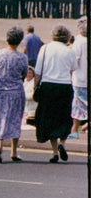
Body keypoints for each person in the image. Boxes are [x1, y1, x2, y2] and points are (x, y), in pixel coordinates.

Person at [33, 24, 76, 163]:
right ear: (67, 37)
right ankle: (62, 144)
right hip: (64, 86)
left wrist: (35, 88)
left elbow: (37, 72)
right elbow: (72, 69)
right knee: (64, 118)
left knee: (50, 118)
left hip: (48, 86)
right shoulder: (69, 51)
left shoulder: (45, 48)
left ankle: (54, 152)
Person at [69, 16, 87, 138]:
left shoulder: (79, 41)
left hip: (79, 80)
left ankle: (75, 130)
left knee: (77, 107)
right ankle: (78, 130)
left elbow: (74, 61)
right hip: (83, 79)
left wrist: (69, 74)